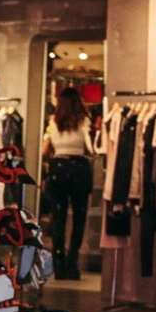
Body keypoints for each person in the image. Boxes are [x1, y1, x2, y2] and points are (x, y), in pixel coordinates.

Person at [42, 86, 94, 280]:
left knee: (59, 219)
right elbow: (90, 149)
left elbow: (45, 151)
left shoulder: (53, 123)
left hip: (58, 170)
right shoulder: (84, 122)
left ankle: (59, 264)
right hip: (79, 170)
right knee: (79, 218)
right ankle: (73, 262)